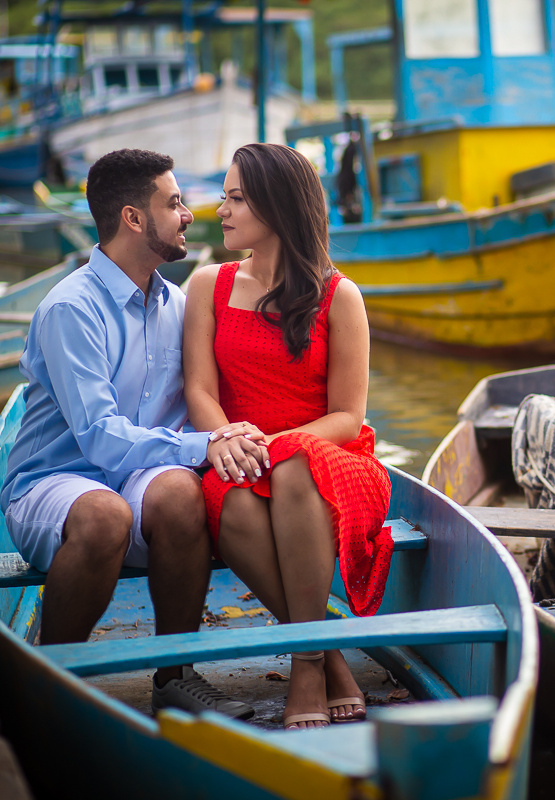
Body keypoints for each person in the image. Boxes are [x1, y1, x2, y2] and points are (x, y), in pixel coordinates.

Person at [0, 148, 254, 720]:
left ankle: (175, 675)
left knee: (181, 494)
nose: (190, 214)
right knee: (104, 515)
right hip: (54, 482)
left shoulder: (178, 305)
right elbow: (99, 438)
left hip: (138, 478)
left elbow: (204, 398)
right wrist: (202, 445)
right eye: (174, 202)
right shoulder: (72, 308)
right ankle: (51, 678)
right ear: (134, 219)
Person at [183, 142, 394, 730]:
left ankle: (305, 668)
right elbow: (200, 390)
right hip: (238, 459)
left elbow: (348, 417)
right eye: (223, 197)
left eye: (236, 198)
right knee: (241, 509)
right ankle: (328, 654)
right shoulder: (209, 285)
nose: (221, 210)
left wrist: (272, 446)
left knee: (298, 462)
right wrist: (227, 439)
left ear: (276, 206)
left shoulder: (339, 296)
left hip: (335, 460)